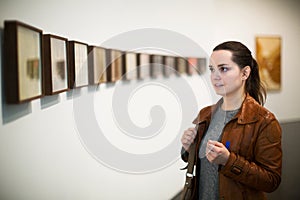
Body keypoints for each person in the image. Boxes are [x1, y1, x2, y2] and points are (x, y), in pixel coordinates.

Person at [181, 41, 282, 200]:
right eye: (212, 69)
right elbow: (201, 163)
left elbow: (271, 181)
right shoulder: (206, 114)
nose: (215, 76)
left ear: (245, 73)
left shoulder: (264, 121)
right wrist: (189, 148)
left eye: (223, 69)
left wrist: (229, 161)